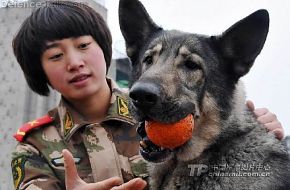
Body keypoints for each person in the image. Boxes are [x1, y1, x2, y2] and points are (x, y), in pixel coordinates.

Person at [10, 1, 284, 190]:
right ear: (39, 71)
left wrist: (256, 135)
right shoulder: (33, 147)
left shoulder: (190, 122)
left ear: (103, 47)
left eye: (83, 45)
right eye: (56, 55)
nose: (74, 62)